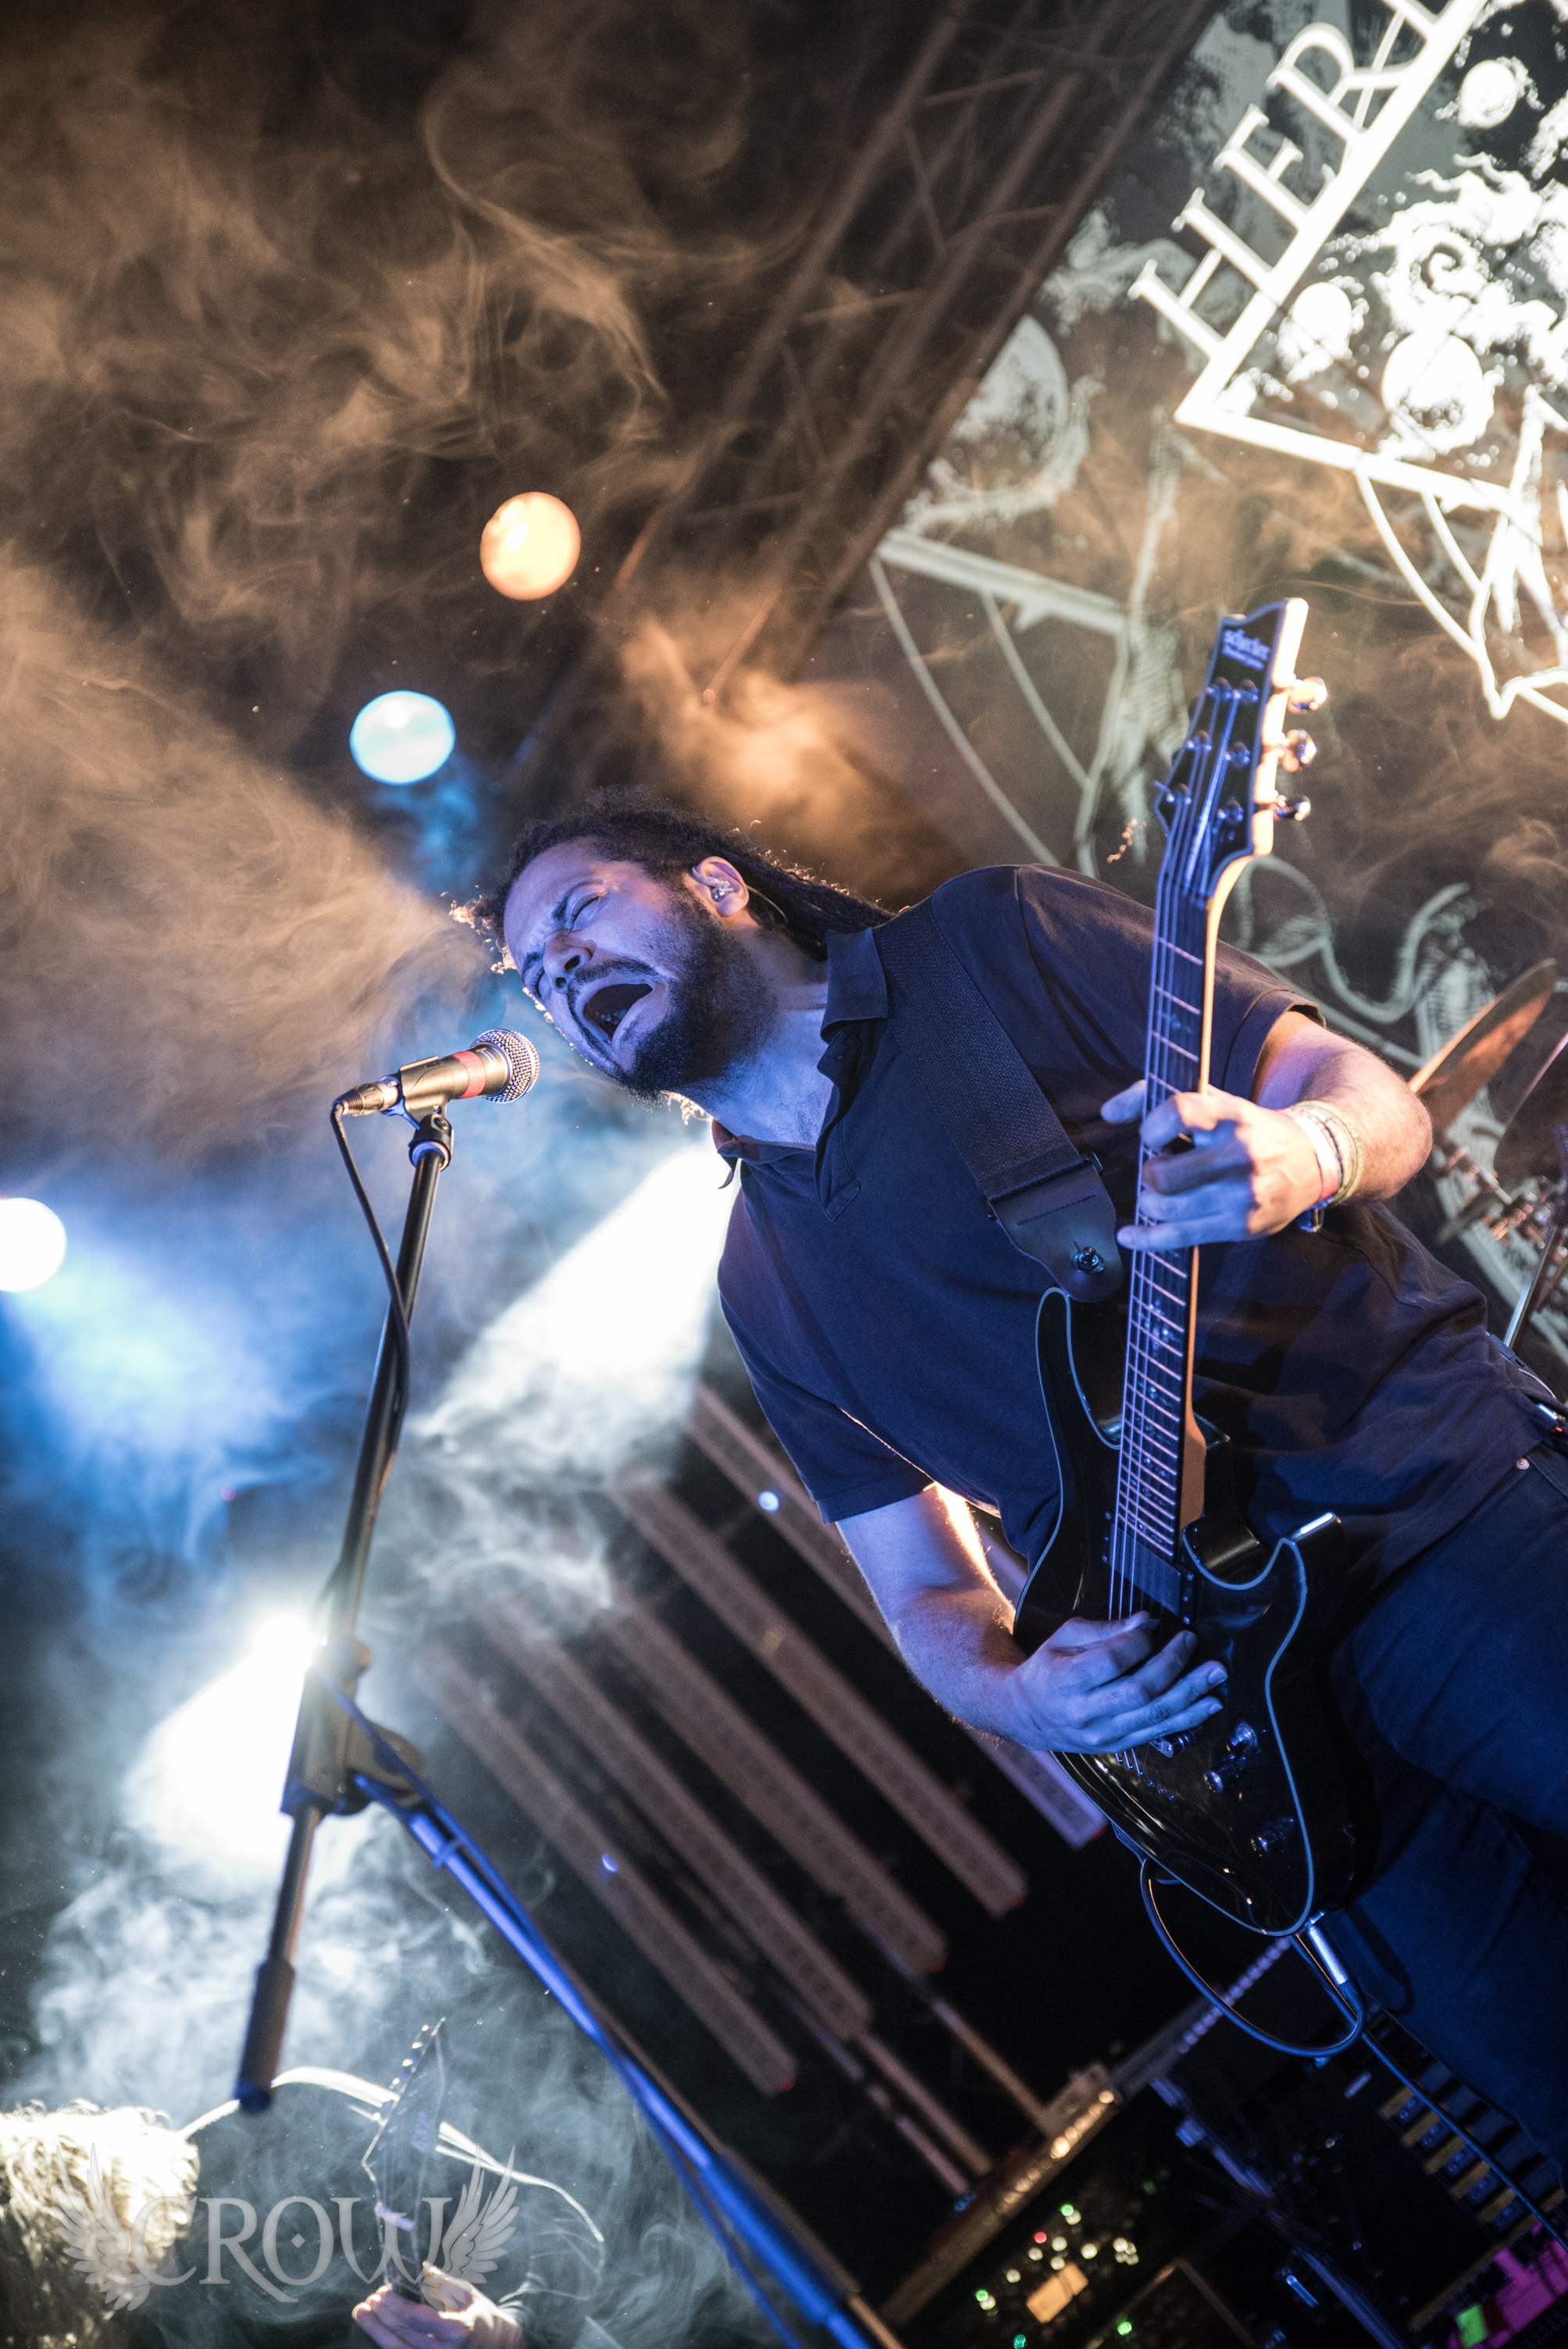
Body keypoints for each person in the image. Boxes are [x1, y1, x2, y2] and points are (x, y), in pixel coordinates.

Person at [475, 797, 1568, 2168]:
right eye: (537, 974)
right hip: (1268, 1742)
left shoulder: (989, 941)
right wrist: (1019, 1694)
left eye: (581, 913)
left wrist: (1309, 1153)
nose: (564, 969)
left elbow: (1372, 1102)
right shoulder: (760, 1280)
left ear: (719, 886)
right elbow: (924, 1592)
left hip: (1436, 1527)